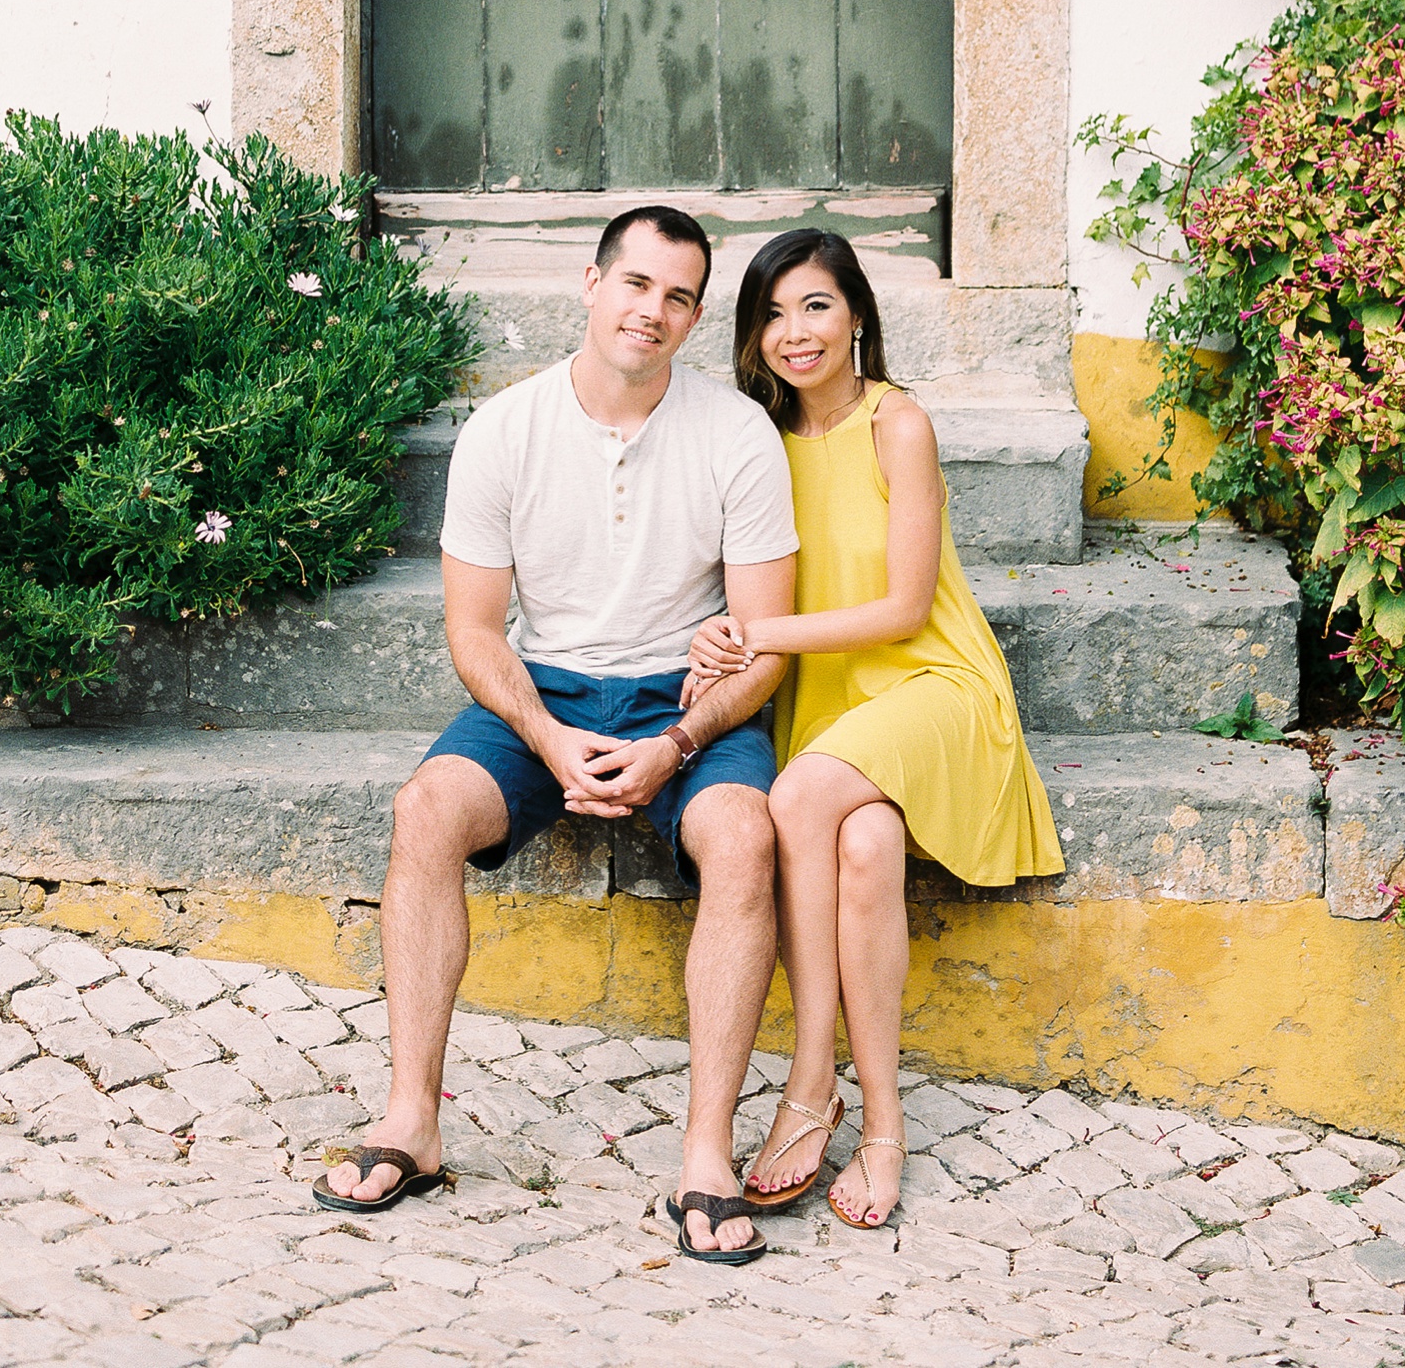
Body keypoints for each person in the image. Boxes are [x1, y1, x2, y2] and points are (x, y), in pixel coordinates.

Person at [319, 204, 798, 1266]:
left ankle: (706, 1155)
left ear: (695, 315)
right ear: (591, 285)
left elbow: (766, 647)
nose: (653, 310)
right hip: (545, 693)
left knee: (745, 837)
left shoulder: (737, 433)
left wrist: (675, 743)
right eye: (636, 284)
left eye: (678, 295)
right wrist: (543, 732)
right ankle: (412, 1118)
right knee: (424, 809)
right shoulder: (507, 427)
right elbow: (473, 631)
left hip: (689, 703)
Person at [685, 229, 1063, 1229]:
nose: (794, 332)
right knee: (864, 838)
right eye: (770, 313)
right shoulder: (757, 441)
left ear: (856, 312)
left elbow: (902, 607)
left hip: (934, 684)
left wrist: (753, 631)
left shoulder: (900, 422)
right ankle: (885, 1121)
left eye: (815, 305)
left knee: (803, 792)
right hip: (839, 706)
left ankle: (810, 1080)